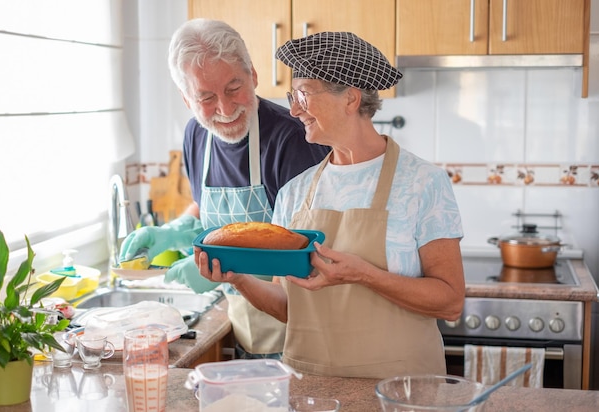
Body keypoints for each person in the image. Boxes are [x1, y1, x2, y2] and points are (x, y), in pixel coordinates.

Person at [194, 31, 465, 378]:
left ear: (350, 98)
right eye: (292, 96)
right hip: (313, 387)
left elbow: (450, 301)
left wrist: (363, 274)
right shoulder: (295, 192)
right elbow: (290, 306)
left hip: (402, 390)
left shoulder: (423, 183)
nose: (293, 109)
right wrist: (239, 279)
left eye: (303, 94)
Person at [119, 19, 330, 359]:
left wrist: (228, 266)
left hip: (305, 338)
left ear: (254, 75)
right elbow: (209, 210)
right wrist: (173, 233)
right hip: (249, 331)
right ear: (186, 99)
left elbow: (309, 251)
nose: (225, 108)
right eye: (205, 96)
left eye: (234, 88)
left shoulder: (293, 141)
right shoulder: (196, 136)